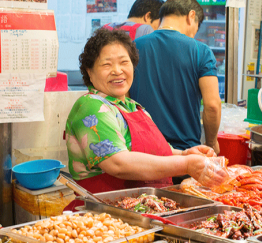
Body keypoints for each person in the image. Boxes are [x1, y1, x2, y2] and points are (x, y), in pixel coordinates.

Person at [65, 28, 226, 194]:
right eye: (107, 64)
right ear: (89, 72)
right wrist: (186, 164)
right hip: (103, 212)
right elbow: (117, 163)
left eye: (124, 62)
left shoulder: (134, 107)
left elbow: (159, 152)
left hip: (142, 206)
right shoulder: (91, 106)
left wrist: (185, 154)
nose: (117, 70)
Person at [130, 0, 222, 155]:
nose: (194, 34)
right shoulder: (201, 51)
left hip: (143, 153)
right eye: (196, 28)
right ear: (191, 16)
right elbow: (212, 105)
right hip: (186, 154)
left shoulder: (133, 47)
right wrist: (212, 142)